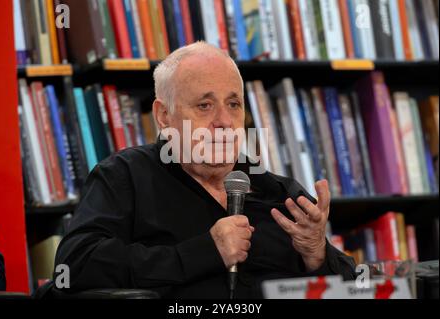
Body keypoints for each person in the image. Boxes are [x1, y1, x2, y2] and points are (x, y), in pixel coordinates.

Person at [54, 41, 356, 298]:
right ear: (164, 115)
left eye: (234, 104)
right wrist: (206, 252)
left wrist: (317, 254)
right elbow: (74, 266)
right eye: (204, 105)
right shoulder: (125, 176)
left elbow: (357, 286)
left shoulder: (280, 192)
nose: (224, 121)